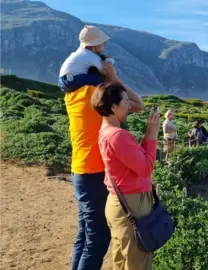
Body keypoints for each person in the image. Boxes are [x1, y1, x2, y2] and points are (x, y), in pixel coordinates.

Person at [61, 26, 145, 270]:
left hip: (80, 170)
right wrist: (114, 77)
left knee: (86, 234)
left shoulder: (73, 94)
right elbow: (137, 105)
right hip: (95, 173)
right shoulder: (97, 95)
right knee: (98, 239)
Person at [92, 82, 158, 270]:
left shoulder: (105, 132)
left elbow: (137, 163)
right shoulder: (118, 136)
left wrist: (147, 137)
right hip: (132, 204)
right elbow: (146, 168)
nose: (129, 106)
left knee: (122, 261)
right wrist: (152, 135)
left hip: (119, 203)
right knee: (137, 263)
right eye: (125, 102)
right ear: (113, 107)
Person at [58, 25, 115, 93]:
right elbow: (105, 70)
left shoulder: (79, 53)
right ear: (95, 45)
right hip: (73, 80)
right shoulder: (91, 56)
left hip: (63, 82)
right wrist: (110, 61)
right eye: (103, 43)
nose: (104, 45)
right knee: (98, 78)